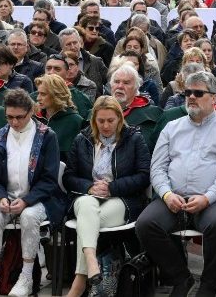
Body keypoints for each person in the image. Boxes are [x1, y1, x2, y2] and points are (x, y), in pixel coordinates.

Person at [137, 71, 216, 297]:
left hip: (213, 199)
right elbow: (156, 168)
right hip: (173, 198)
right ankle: (180, 277)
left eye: (198, 92)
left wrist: (207, 197)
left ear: (214, 98)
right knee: (146, 224)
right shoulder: (172, 127)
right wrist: (166, 194)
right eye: (187, 92)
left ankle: (209, 284)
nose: (191, 97)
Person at [0, 89, 62, 297]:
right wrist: (0, 197)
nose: (14, 122)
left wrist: (27, 200)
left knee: (29, 217)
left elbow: (50, 179)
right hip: (6, 197)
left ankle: (26, 276)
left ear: (31, 112)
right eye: (9, 117)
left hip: (38, 199)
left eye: (19, 117)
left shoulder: (47, 137)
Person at [63, 96, 151, 297]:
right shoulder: (82, 139)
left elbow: (144, 175)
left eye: (110, 120)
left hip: (121, 199)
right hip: (88, 198)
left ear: (120, 119)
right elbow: (69, 177)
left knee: (87, 222)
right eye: (100, 121)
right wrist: (89, 187)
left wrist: (113, 188)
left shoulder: (134, 138)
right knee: (86, 205)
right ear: (94, 120)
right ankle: (91, 262)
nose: (105, 125)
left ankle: (80, 280)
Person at [34, 74, 84, 162]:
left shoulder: (75, 121)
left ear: (56, 95)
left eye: (43, 94)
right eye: (38, 93)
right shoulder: (34, 119)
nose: (38, 98)